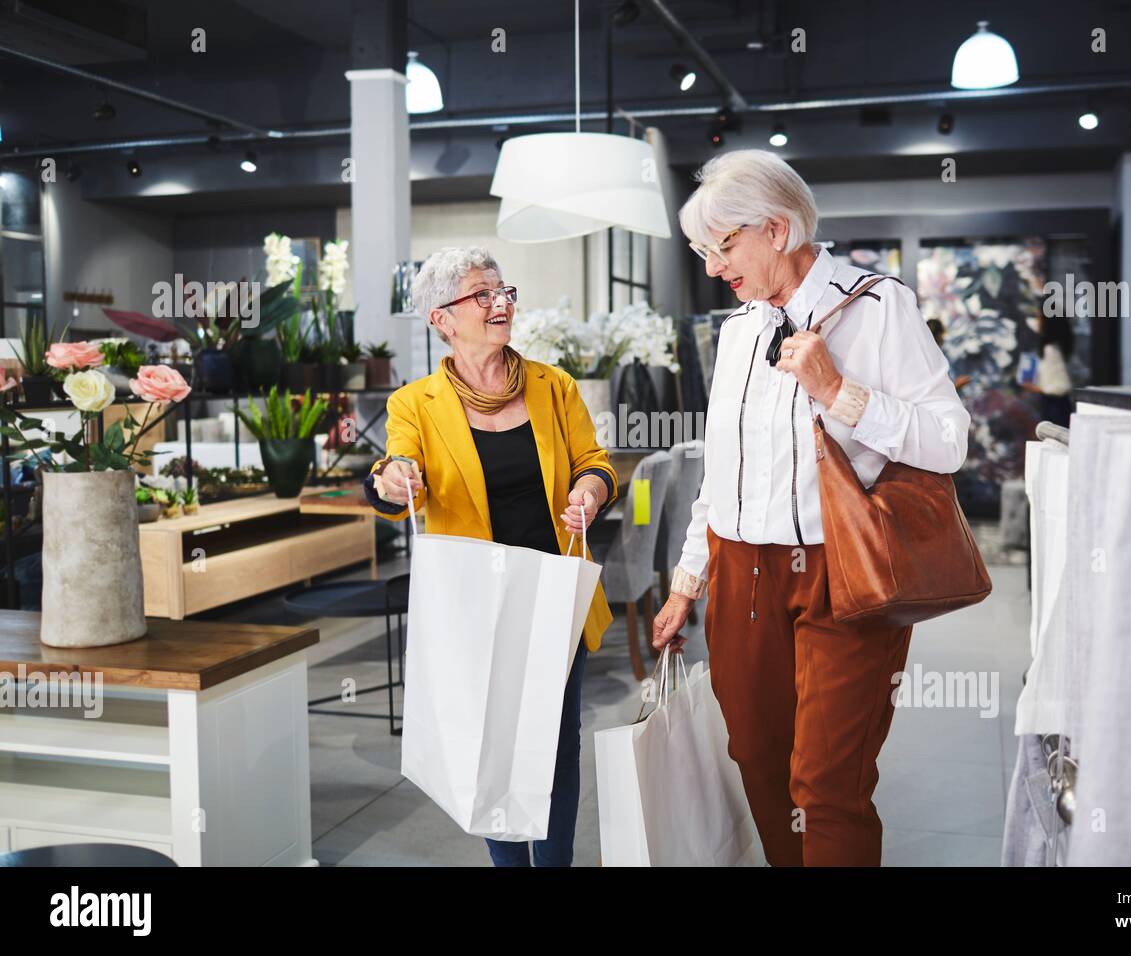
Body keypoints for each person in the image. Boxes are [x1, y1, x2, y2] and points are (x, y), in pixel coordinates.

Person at [652, 150, 970, 866]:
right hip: (740, 572)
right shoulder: (738, 330)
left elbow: (950, 441)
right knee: (757, 758)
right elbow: (722, 469)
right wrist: (686, 579)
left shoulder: (878, 305)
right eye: (702, 251)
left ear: (779, 227)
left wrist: (838, 392)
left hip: (845, 572)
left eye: (723, 246)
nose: (712, 267)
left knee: (827, 782)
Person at [365, 246, 618, 867]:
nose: (500, 304)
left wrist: (590, 489)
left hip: (553, 594)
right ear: (442, 319)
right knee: (491, 745)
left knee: (557, 744)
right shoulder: (414, 404)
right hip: (473, 604)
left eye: (503, 291)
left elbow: (595, 463)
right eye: (482, 295)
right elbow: (395, 468)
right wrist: (393, 481)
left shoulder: (552, 386)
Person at [1021, 304, 1074, 428]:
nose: (1037, 321)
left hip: (1055, 404)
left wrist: (1034, 387)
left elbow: (1056, 386)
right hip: (1056, 403)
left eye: (1040, 317)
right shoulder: (1056, 347)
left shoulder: (1050, 350)